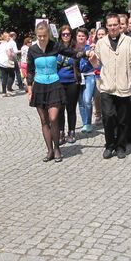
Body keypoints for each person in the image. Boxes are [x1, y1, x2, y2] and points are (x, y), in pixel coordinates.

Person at [26, 22, 83, 163]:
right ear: (36, 35)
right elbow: (30, 70)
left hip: (54, 85)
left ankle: (57, 147)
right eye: (39, 36)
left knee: (53, 118)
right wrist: (29, 88)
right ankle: (50, 150)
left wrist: (85, 53)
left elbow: (71, 53)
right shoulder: (32, 50)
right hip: (39, 86)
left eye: (44, 36)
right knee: (44, 120)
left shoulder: (54, 46)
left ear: (48, 34)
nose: (42, 38)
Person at [90, 14, 131, 160]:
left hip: (124, 87)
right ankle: (109, 145)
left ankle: (121, 146)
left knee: (122, 119)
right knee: (108, 117)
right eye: (110, 25)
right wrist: (93, 60)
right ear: (106, 26)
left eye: (116, 25)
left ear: (119, 26)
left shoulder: (128, 41)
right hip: (107, 87)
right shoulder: (101, 43)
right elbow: (96, 64)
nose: (113, 27)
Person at [56, 26, 80, 144]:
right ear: (60, 35)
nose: (66, 36)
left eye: (68, 34)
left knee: (71, 109)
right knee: (60, 109)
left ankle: (71, 131)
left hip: (72, 81)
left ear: (71, 35)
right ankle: (61, 132)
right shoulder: (55, 48)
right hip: (59, 82)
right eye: (63, 34)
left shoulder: (75, 48)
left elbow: (81, 63)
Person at [77, 28, 96, 133]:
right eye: (79, 35)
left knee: (87, 100)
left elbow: (96, 63)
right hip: (77, 77)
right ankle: (85, 123)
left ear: (86, 37)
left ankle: (88, 122)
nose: (81, 37)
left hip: (89, 75)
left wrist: (92, 52)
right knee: (80, 102)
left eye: (83, 36)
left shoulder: (90, 48)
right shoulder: (73, 48)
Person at [92, 27, 107, 124]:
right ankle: (98, 114)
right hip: (97, 74)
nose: (101, 36)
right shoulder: (93, 46)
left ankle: (107, 114)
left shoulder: (109, 45)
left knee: (106, 96)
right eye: (99, 34)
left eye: (103, 34)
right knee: (97, 96)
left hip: (107, 74)